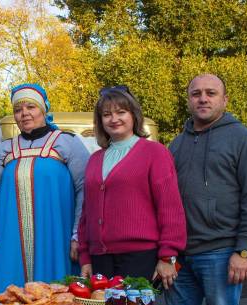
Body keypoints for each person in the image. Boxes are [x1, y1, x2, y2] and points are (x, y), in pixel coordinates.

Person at [167, 73, 247, 305]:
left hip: (222, 252)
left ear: (224, 100)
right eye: (196, 93)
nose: (203, 98)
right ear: (188, 100)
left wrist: (244, 250)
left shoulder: (243, 139)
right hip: (180, 255)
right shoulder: (177, 144)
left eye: (211, 93)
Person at [0, 83, 90, 295]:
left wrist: (78, 234)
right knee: (10, 299)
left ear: (43, 109)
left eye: (30, 107)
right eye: (18, 110)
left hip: (55, 235)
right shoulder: (5, 148)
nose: (24, 114)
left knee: (56, 296)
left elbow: (84, 188)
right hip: (9, 237)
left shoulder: (66, 143)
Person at [77, 86, 186, 287]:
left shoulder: (154, 153)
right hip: (100, 257)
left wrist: (167, 256)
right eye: (106, 114)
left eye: (121, 112)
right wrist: (85, 256)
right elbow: (87, 213)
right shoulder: (95, 159)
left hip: (139, 257)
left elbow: (170, 207)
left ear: (134, 115)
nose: (113, 119)